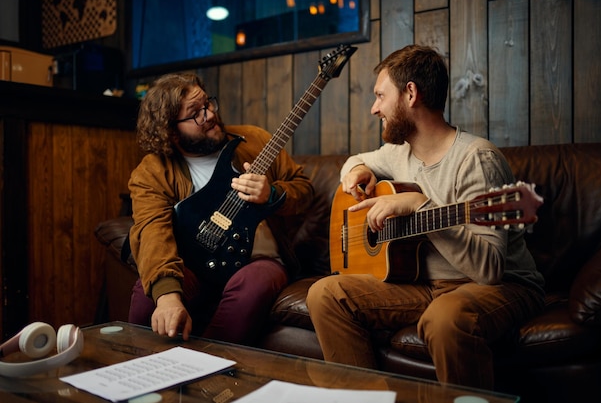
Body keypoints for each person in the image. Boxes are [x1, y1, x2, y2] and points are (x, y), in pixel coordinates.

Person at [306, 45, 545, 390]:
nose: (374, 108)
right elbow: (355, 159)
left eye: (380, 96)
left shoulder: (476, 159)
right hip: (425, 286)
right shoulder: (397, 152)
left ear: (411, 93)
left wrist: (419, 206)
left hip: (496, 286)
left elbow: (490, 269)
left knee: (445, 317)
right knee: (324, 294)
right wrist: (355, 170)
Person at [127, 72, 314, 344]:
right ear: (170, 131)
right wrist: (168, 296)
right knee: (148, 299)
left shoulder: (255, 140)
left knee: (252, 284)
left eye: (208, 103)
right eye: (196, 113)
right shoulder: (152, 172)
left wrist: (272, 193)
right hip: (194, 263)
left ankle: (209, 370)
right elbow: (152, 230)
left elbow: (305, 189)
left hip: (259, 260)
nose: (210, 114)